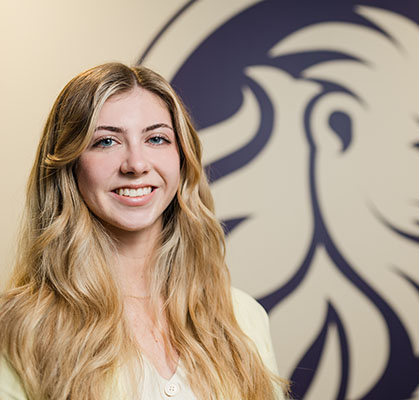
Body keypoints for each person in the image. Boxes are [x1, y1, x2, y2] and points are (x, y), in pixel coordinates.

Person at [0, 63, 288, 399]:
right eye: (106, 141)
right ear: (70, 165)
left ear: (182, 158)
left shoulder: (243, 318)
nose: (136, 164)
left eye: (156, 138)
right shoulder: (18, 329)